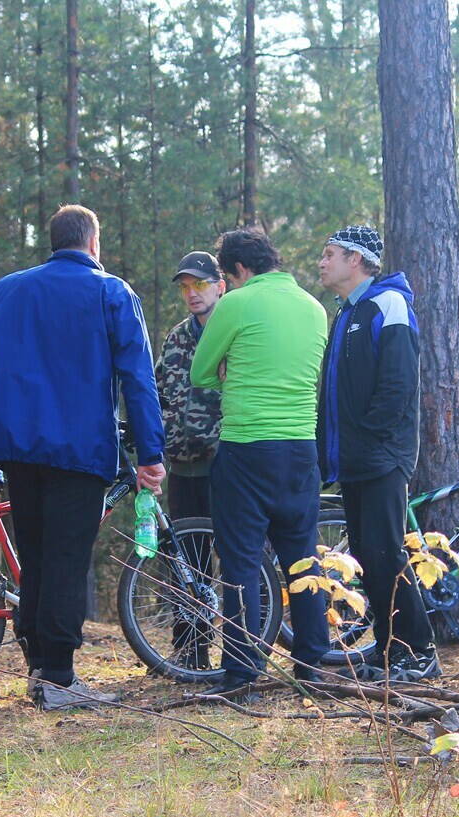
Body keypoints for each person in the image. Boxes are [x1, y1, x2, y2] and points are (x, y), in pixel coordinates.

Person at [0, 205, 165, 710]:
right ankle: (60, 678)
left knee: (37, 556)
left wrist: (1, 387)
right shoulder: (112, 292)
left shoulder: (11, 288)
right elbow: (138, 378)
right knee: (65, 560)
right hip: (81, 447)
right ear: (93, 243)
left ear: (55, 241)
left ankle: (41, 669)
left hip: (19, 446)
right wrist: (150, 452)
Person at [190, 228, 329, 695]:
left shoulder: (236, 303)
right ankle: (313, 663)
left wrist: (230, 370)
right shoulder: (314, 307)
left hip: (247, 447)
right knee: (302, 556)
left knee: (242, 561)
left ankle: (242, 669)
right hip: (301, 448)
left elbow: (201, 372)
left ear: (238, 269)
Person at [316, 225, 439, 682]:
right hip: (354, 458)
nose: (322, 262)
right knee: (370, 556)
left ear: (356, 260)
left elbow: (399, 384)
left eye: (330, 254)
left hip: (382, 455)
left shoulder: (388, 304)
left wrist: (369, 437)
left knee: (387, 553)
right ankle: (389, 650)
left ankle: (420, 652)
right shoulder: (347, 313)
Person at [156, 251, 225, 521]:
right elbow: (158, 393)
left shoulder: (233, 333)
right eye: (184, 287)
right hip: (180, 471)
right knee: (184, 545)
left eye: (200, 284)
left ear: (220, 287)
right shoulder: (176, 337)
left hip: (223, 468)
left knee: (228, 543)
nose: (191, 293)